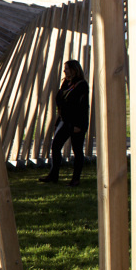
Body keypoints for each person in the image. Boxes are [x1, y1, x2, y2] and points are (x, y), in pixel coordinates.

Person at [39, 59, 90, 187]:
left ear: (74, 69)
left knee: (77, 150)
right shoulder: (66, 83)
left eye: (66, 68)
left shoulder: (82, 85)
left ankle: (75, 179)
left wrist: (79, 125)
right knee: (56, 146)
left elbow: (83, 106)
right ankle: (54, 174)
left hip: (77, 123)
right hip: (65, 121)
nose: (64, 70)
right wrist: (58, 120)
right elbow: (61, 103)